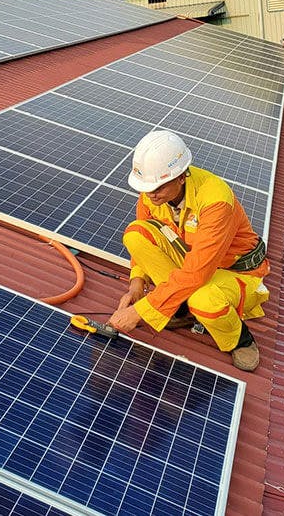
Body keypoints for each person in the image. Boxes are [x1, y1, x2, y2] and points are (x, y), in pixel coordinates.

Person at [108, 130, 270, 371]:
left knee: (203, 299)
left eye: (158, 187)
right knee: (136, 233)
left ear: (182, 176)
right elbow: (146, 245)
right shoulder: (151, 196)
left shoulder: (216, 200)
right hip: (196, 263)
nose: (150, 194)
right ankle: (181, 309)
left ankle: (239, 338)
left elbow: (197, 273)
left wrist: (140, 312)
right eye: (146, 187)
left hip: (237, 273)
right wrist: (137, 284)